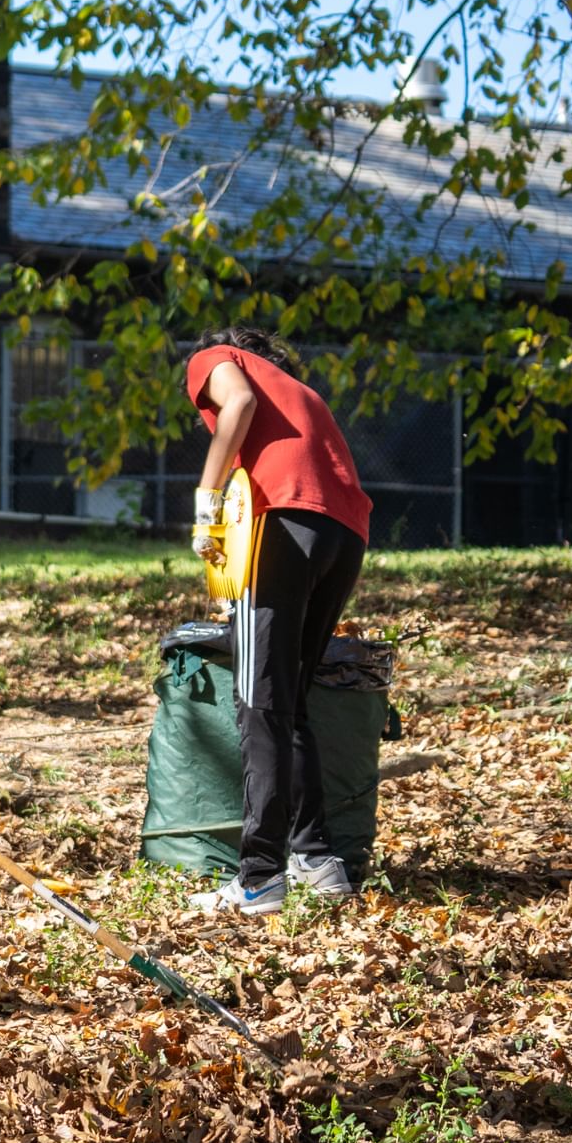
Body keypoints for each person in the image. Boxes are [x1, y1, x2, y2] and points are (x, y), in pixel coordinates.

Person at [184, 327, 371, 916]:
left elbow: (236, 403)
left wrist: (206, 498)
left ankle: (260, 875)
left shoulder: (215, 359)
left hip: (283, 521)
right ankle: (317, 860)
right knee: (288, 701)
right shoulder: (301, 390)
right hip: (345, 534)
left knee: (258, 701)